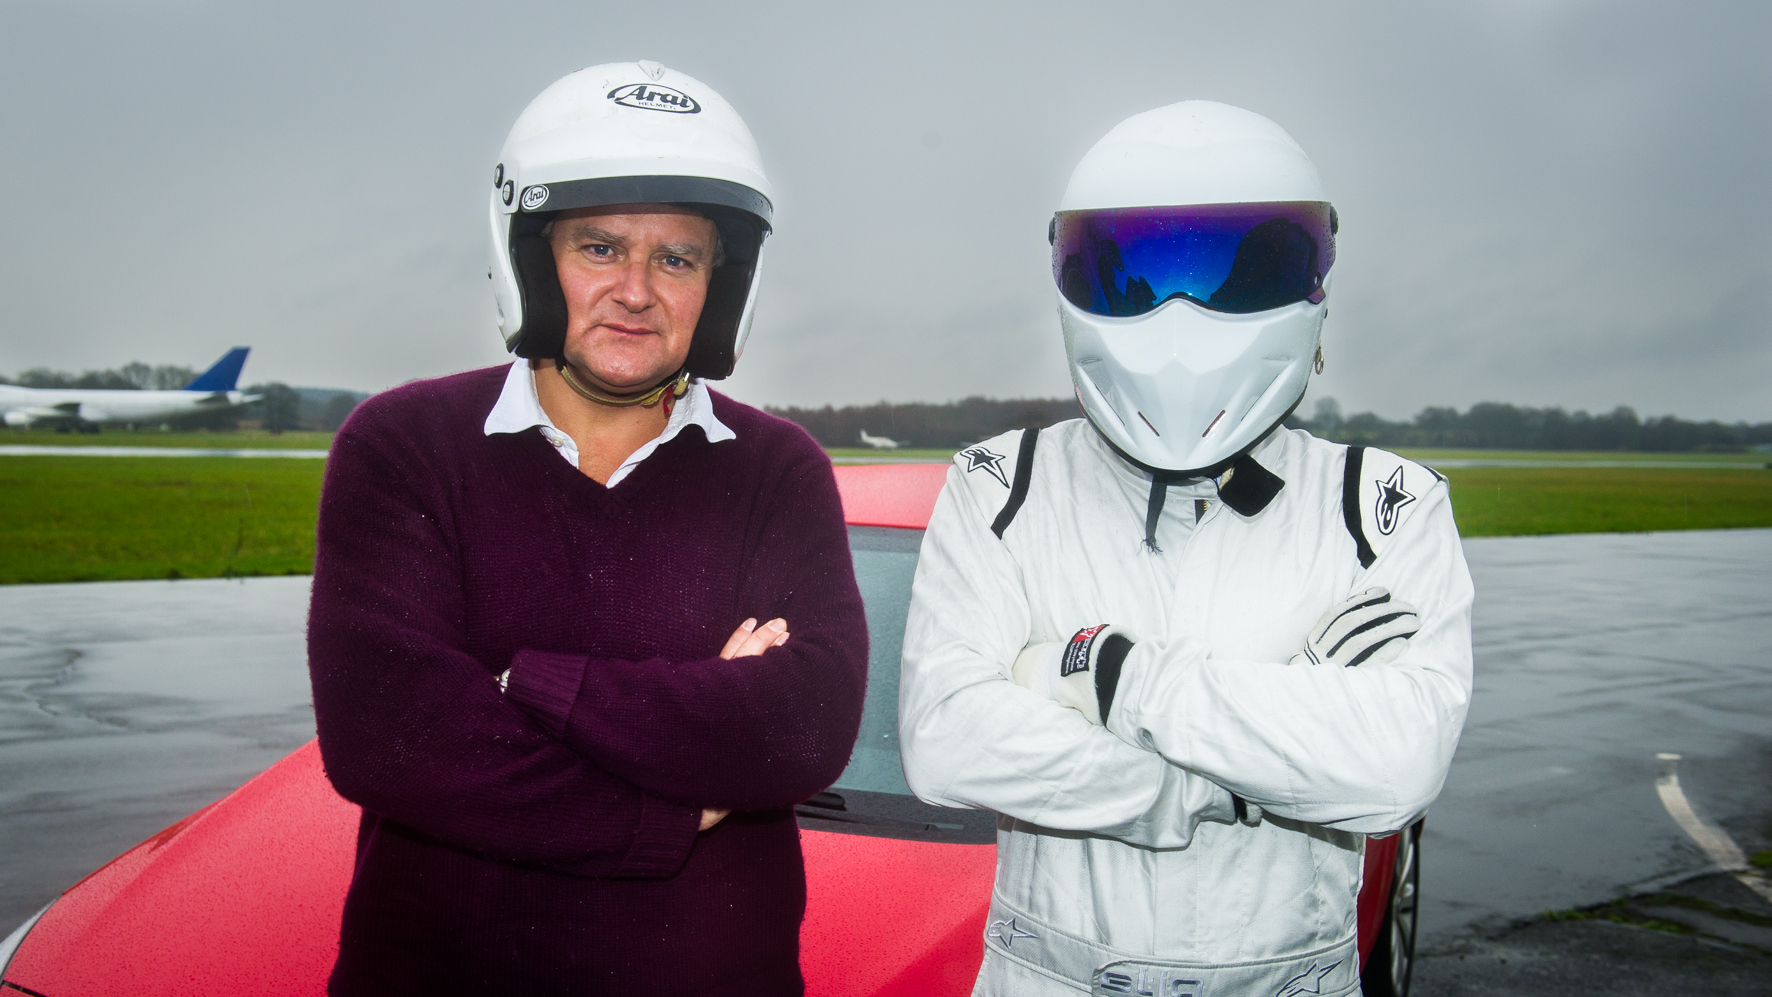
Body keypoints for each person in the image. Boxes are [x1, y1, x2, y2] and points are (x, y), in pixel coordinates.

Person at [307, 61, 869, 995]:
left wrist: (527, 683)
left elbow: (804, 727)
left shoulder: (780, 471)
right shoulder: (403, 447)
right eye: (600, 248)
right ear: (534, 259)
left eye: (677, 258)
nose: (637, 291)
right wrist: (677, 806)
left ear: (719, 287)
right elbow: (393, 739)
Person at [898, 101, 1473, 997]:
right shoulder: (1002, 485)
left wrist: (1110, 674)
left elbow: (1397, 762)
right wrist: (1234, 777)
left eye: (1229, 269)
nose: (1179, 307)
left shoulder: (1381, 504)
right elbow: (947, 742)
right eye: (1136, 266)